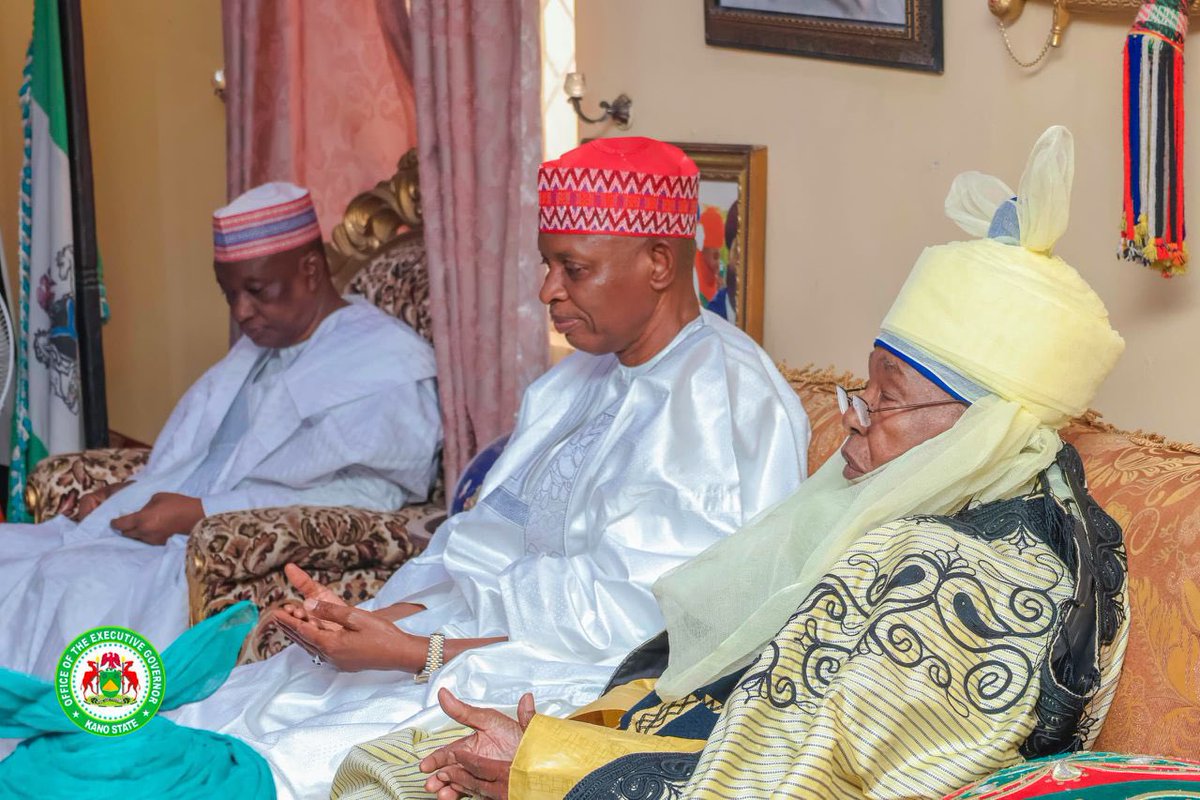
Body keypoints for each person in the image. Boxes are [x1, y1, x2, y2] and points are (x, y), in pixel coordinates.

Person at [399, 126, 1130, 800]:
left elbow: (801, 782)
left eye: (885, 401)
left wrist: (541, 767)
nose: (852, 421)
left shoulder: (973, 584)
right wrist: (565, 735)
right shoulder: (953, 500)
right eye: (863, 388)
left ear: (981, 430)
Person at [164, 137, 812, 800]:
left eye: (573, 268)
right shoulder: (577, 380)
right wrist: (385, 617)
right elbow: (483, 545)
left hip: (575, 687)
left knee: (296, 764)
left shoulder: (723, 404)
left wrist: (419, 654)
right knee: (235, 712)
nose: (547, 290)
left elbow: (644, 633)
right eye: (546, 263)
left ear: (656, 262)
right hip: (467, 643)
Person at [0, 183, 442, 677]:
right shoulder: (265, 345)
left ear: (310, 271)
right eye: (229, 294)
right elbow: (211, 457)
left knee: (73, 586)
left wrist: (200, 512)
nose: (241, 312)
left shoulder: (382, 359)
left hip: (216, 547)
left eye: (256, 291)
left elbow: (372, 493)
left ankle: (71, 738)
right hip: (172, 528)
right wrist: (137, 490)